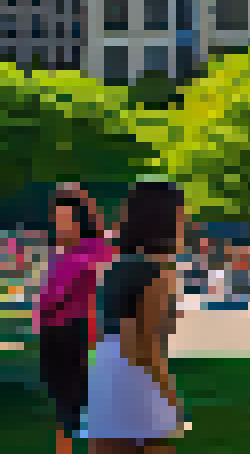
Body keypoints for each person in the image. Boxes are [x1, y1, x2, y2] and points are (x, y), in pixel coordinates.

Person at [83, 182, 188, 452]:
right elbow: (142, 344)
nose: (184, 223)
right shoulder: (158, 271)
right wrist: (170, 396)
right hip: (137, 377)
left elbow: (105, 331)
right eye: (180, 215)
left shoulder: (114, 269)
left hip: (104, 373)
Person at [37, 185, 112, 454]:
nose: (61, 225)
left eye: (67, 219)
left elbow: (62, 294)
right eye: (57, 219)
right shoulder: (60, 254)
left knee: (85, 404)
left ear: (81, 221)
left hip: (77, 331)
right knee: (63, 406)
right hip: (53, 334)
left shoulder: (93, 249)